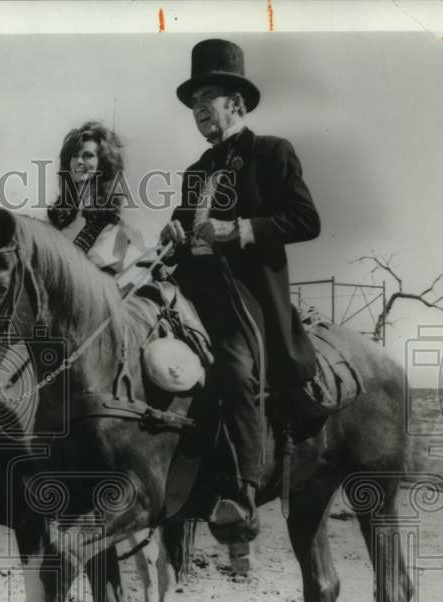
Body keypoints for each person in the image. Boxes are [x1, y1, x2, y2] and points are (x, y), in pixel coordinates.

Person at [160, 39, 320, 541]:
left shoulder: (271, 151)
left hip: (246, 292)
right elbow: (183, 233)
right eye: (193, 104)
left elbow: (306, 219)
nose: (200, 109)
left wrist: (240, 230)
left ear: (237, 102)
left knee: (232, 362)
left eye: (208, 96)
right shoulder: (194, 173)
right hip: (193, 288)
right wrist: (173, 235)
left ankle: (241, 490)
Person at [47, 121, 143, 275]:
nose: (79, 162)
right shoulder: (55, 217)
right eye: (74, 156)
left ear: (103, 163)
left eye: (88, 156)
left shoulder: (114, 224)